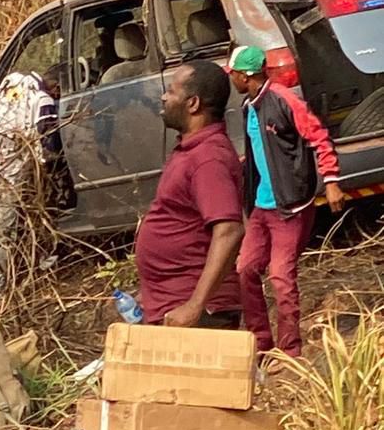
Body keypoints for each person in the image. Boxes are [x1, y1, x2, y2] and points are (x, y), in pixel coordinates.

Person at [228, 45, 344, 362]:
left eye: (233, 74)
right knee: (245, 269)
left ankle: (290, 350)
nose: (231, 80)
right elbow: (262, 147)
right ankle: (261, 341)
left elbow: (318, 135)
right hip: (261, 207)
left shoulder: (283, 100)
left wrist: (331, 180)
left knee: (281, 277)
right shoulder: (247, 106)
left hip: (290, 206)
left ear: (246, 75)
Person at [135, 60, 245, 328]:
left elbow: (229, 231)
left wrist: (195, 305)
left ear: (193, 104)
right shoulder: (191, 149)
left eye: (171, 91)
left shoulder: (208, 158)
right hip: (171, 304)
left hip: (200, 315)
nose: (163, 97)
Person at [0, 67, 61, 301]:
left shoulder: (11, 83)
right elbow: (48, 142)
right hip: (9, 174)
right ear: (56, 88)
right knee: (4, 236)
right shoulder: (43, 100)